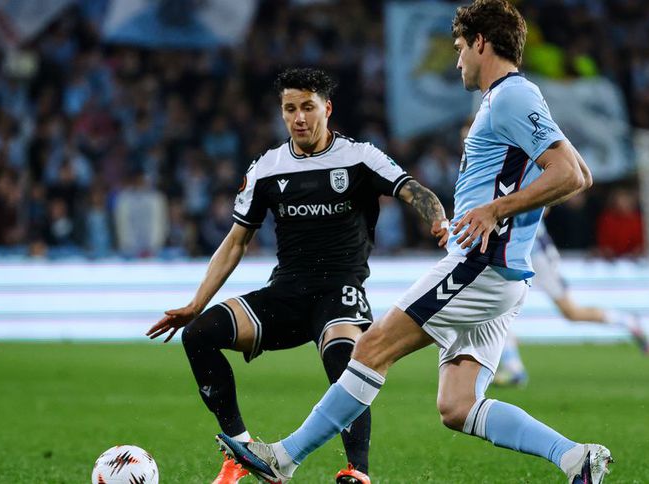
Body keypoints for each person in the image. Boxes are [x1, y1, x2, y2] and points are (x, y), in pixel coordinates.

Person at [217, 2, 612, 483]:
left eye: (460, 48)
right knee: (458, 406)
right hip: (502, 275)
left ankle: (284, 459)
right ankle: (575, 457)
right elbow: (576, 171)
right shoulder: (507, 99)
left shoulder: (511, 95)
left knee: (371, 347)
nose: (458, 59)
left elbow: (572, 174)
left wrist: (496, 211)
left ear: (481, 43)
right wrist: (505, 214)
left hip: (479, 266)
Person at [146, 67, 448, 484]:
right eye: (290, 109)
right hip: (286, 292)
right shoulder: (267, 168)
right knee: (199, 335)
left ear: (327, 108)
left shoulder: (360, 157)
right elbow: (236, 241)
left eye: (307, 107)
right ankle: (243, 452)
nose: (299, 118)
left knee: (349, 358)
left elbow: (415, 190)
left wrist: (439, 221)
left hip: (340, 290)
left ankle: (357, 472)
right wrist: (196, 304)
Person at [494, 218, 649, 387]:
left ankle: (628, 321)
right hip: (515, 251)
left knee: (571, 312)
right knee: (498, 307)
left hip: (536, 254)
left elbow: (544, 207)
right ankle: (514, 369)